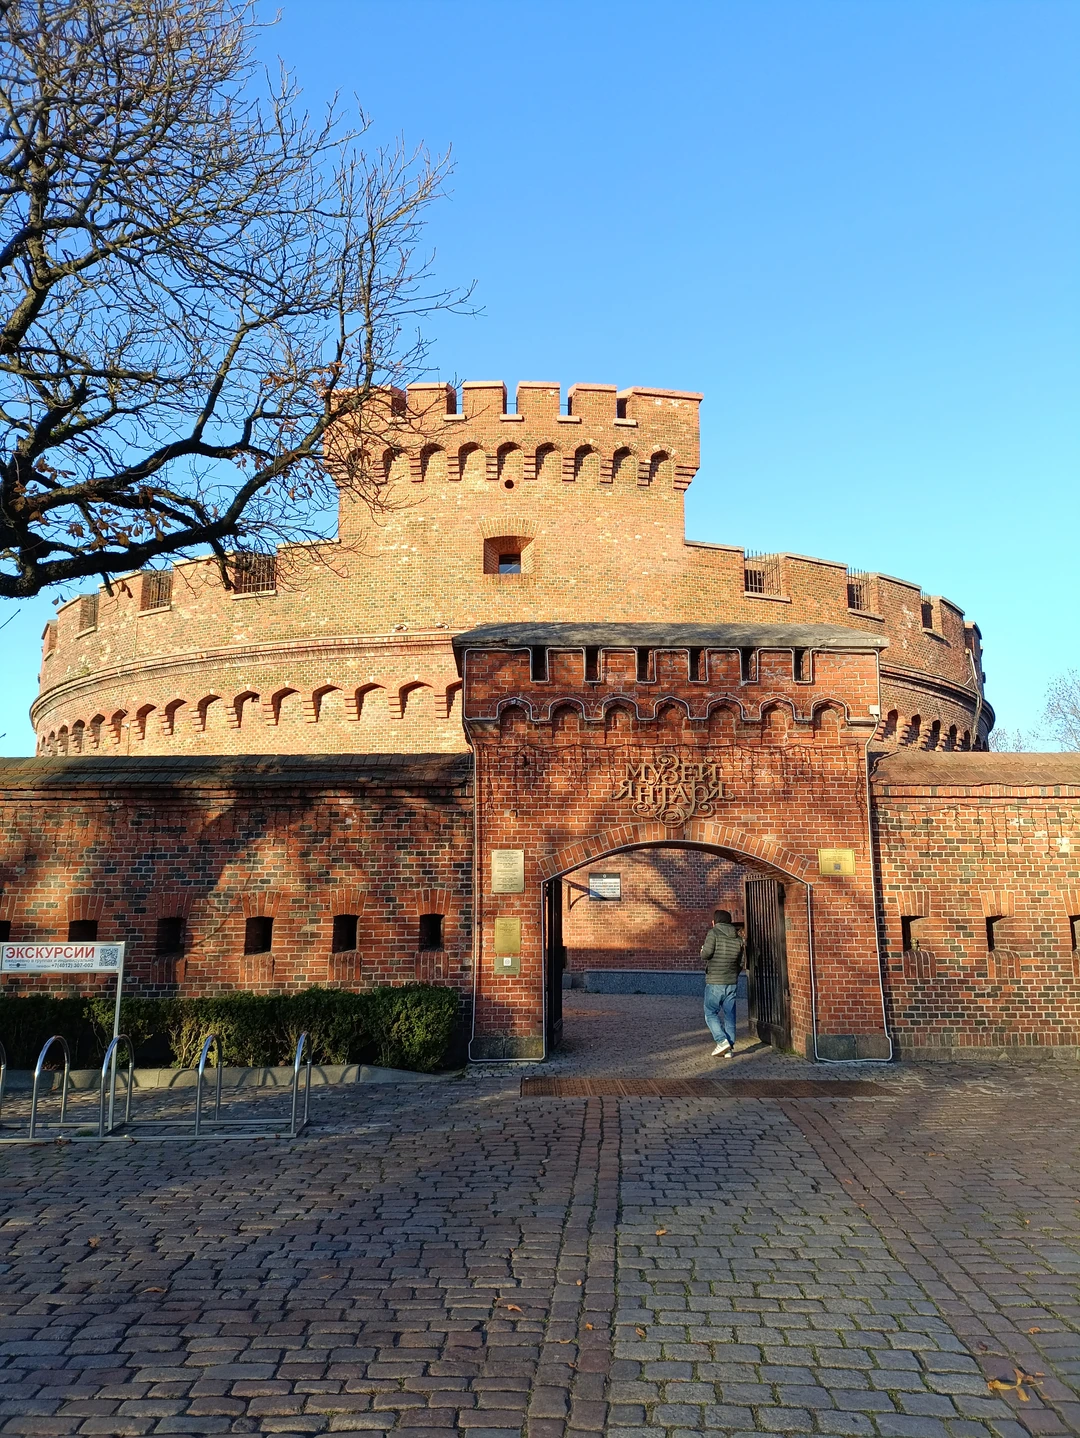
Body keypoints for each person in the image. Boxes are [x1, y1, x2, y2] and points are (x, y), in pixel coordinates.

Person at [700, 908, 744, 1057]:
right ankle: (729, 1048)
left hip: (715, 981)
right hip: (731, 982)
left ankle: (722, 1041)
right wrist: (734, 974)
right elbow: (741, 962)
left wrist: (701, 950)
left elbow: (706, 954)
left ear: (715, 921)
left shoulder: (714, 933)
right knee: (730, 1015)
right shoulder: (738, 938)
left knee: (710, 1013)